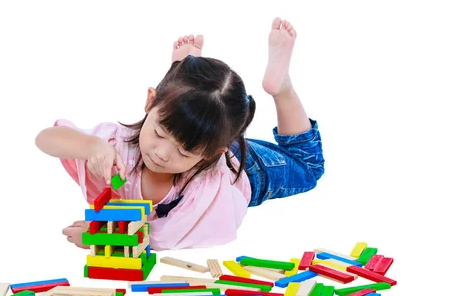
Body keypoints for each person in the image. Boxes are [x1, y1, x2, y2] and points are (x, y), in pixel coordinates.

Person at [35, 17, 324, 251]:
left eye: (181, 151)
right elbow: (46, 139)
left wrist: (104, 235)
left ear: (211, 153)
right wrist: (90, 146)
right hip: (206, 137)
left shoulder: (204, 190)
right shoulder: (119, 143)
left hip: (248, 170)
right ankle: (184, 69)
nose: (161, 153)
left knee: (308, 167)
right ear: (150, 101)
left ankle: (281, 87)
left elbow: (166, 236)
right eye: (159, 133)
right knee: (187, 121)